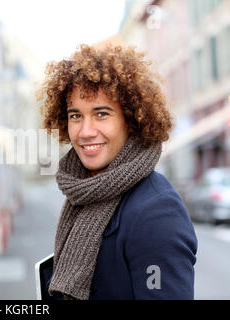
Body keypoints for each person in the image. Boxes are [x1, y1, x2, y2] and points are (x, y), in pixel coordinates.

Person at [38, 44, 198, 300]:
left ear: (131, 120)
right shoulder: (83, 194)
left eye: (101, 114)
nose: (85, 131)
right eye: (76, 116)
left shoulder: (156, 211)